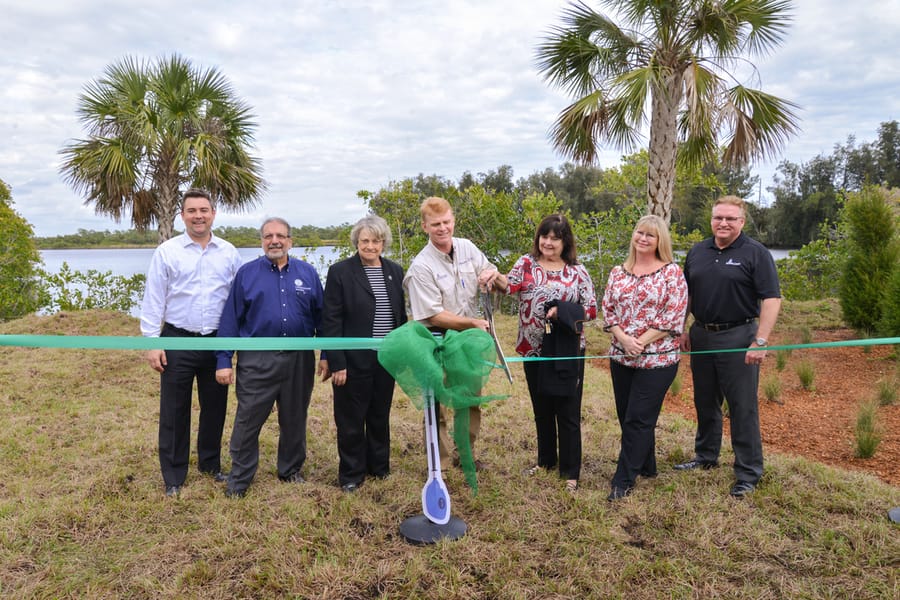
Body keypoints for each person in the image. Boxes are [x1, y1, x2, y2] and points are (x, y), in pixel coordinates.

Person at [676, 195, 782, 498]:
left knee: (741, 406)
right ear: (711, 220)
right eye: (718, 218)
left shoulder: (756, 253)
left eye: (730, 219)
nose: (723, 223)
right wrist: (682, 328)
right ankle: (705, 456)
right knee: (705, 400)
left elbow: (771, 299)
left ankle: (748, 473)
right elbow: (687, 295)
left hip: (739, 336)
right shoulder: (698, 251)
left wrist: (760, 340)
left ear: (742, 222)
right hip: (702, 335)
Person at [140, 189, 243, 498]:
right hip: (177, 339)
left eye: (204, 210)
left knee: (215, 407)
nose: (199, 216)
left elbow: (238, 300)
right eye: (192, 211)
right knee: (174, 409)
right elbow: (154, 298)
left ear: (213, 214)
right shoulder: (167, 252)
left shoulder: (229, 253)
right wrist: (152, 342)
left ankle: (210, 465)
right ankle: (173, 476)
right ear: (182, 215)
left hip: (216, 342)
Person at [215, 217, 324, 498]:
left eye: (280, 236)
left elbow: (323, 317)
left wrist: (327, 354)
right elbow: (230, 320)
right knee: (248, 419)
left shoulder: (308, 273)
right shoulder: (246, 274)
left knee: (294, 418)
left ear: (290, 241)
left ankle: (290, 470)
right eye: (268, 236)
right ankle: (239, 479)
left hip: (299, 358)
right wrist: (224, 360)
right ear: (262, 241)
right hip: (257, 359)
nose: (274, 241)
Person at [402, 196, 505, 470]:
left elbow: (493, 274)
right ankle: (440, 464)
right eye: (435, 224)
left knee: (469, 399)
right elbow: (432, 315)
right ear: (424, 226)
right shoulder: (421, 267)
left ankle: (465, 455)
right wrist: (472, 323)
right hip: (434, 340)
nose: (442, 228)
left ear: (453, 220)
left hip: (468, 341)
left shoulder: (467, 248)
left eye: (446, 222)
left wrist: (491, 276)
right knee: (436, 404)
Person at [499, 214, 596, 492]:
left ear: (566, 242)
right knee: (541, 408)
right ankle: (545, 461)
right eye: (544, 236)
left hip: (567, 351)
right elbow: (508, 286)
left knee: (567, 410)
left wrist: (561, 311)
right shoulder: (525, 264)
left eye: (555, 238)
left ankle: (570, 472)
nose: (548, 242)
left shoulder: (578, 271)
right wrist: (492, 276)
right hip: (533, 349)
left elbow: (591, 309)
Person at [601, 215, 688, 501]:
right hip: (621, 357)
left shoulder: (672, 273)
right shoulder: (618, 272)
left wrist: (640, 342)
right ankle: (647, 465)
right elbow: (608, 310)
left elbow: (673, 315)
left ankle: (623, 480)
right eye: (640, 232)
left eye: (650, 235)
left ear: (660, 240)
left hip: (657, 360)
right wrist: (624, 339)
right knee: (627, 415)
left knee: (638, 418)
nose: (643, 238)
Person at [321, 215, 406, 493]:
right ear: (356, 242)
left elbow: (400, 316)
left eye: (376, 241)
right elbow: (331, 320)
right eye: (365, 240)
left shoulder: (395, 271)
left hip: (386, 359)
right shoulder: (340, 272)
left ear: (384, 242)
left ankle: (379, 468)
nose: (370, 246)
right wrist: (337, 362)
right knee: (351, 421)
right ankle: (351, 474)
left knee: (379, 416)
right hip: (352, 360)